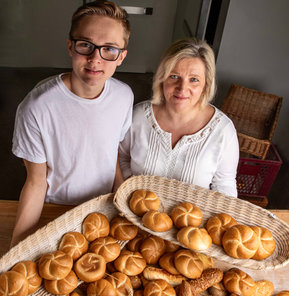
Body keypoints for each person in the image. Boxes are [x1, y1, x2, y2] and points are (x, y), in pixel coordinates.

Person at [10, 1, 133, 247]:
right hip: (58, 213)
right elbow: (36, 182)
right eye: (85, 45)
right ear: (70, 46)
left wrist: (124, 210)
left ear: (121, 56)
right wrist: (17, 246)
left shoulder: (124, 96)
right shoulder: (36, 107)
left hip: (106, 213)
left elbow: (112, 156)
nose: (95, 59)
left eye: (108, 49)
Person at [119, 38, 239, 197]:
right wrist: (130, 192)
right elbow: (121, 159)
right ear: (162, 78)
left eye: (194, 79)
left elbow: (224, 185)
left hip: (193, 220)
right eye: (174, 76)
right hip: (135, 212)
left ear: (206, 85)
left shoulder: (223, 130)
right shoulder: (139, 116)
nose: (182, 88)